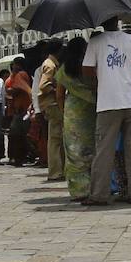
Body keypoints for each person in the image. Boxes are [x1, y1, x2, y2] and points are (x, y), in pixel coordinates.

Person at [82, 18, 131, 205]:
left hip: (107, 103)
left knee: (104, 150)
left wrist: (99, 82)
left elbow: (87, 70)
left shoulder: (96, 42)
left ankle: (99, 194)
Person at [55, 37, 96, 202]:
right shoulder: (89, 66)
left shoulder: (65, 69)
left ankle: (78, 190)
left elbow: (59, 94)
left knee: (74, 153)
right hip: (91, 110)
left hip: (72, 112)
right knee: (92, 150)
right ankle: (94, 186)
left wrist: (63, 111)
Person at [38, 40, 66, 181]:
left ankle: (58, 169)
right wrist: (56, 90)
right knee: (55, 139)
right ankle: (55, 171)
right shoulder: (50, 65)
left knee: (57, 138)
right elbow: (43, 85)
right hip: (53, 104)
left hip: (52, 104)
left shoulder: (51, 63)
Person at [5, 60, 34, 166]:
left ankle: (21, 157)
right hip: (18, 108)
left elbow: (17, 89)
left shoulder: (21, 75)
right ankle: (21, 156)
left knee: (17, 134)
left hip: (23, 109)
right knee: (19, 134)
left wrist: (10, 90)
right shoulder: (16, 75)